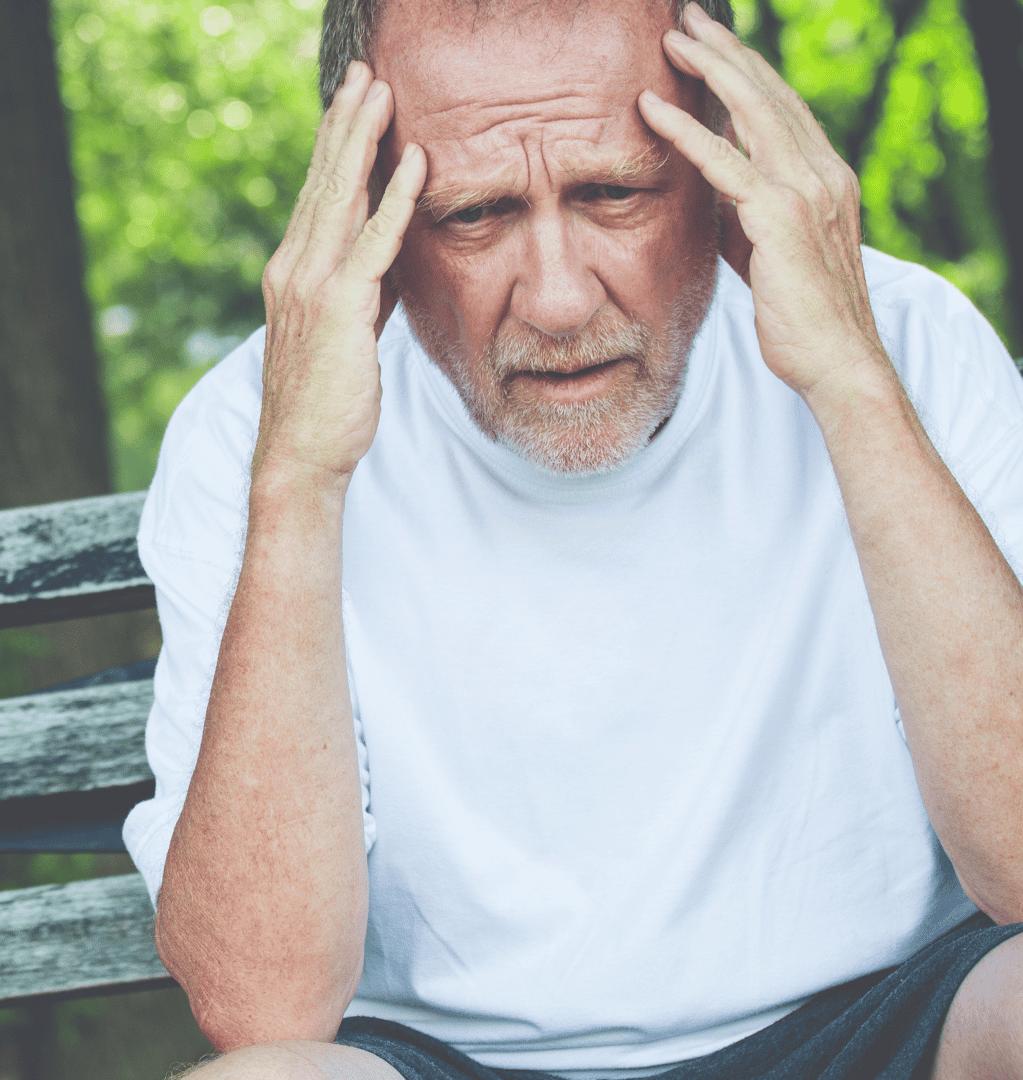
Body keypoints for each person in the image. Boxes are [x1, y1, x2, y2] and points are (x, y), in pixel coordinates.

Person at [122, 0, 1023, 1076]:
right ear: (366, 207)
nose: (555, 299)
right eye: (474, 214)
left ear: (725, 163)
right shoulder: (251, 431)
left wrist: (850, 382)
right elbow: (263, 1009)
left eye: (614, 192)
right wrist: (301, 482)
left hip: (887, 1022)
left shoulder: (905, 341)